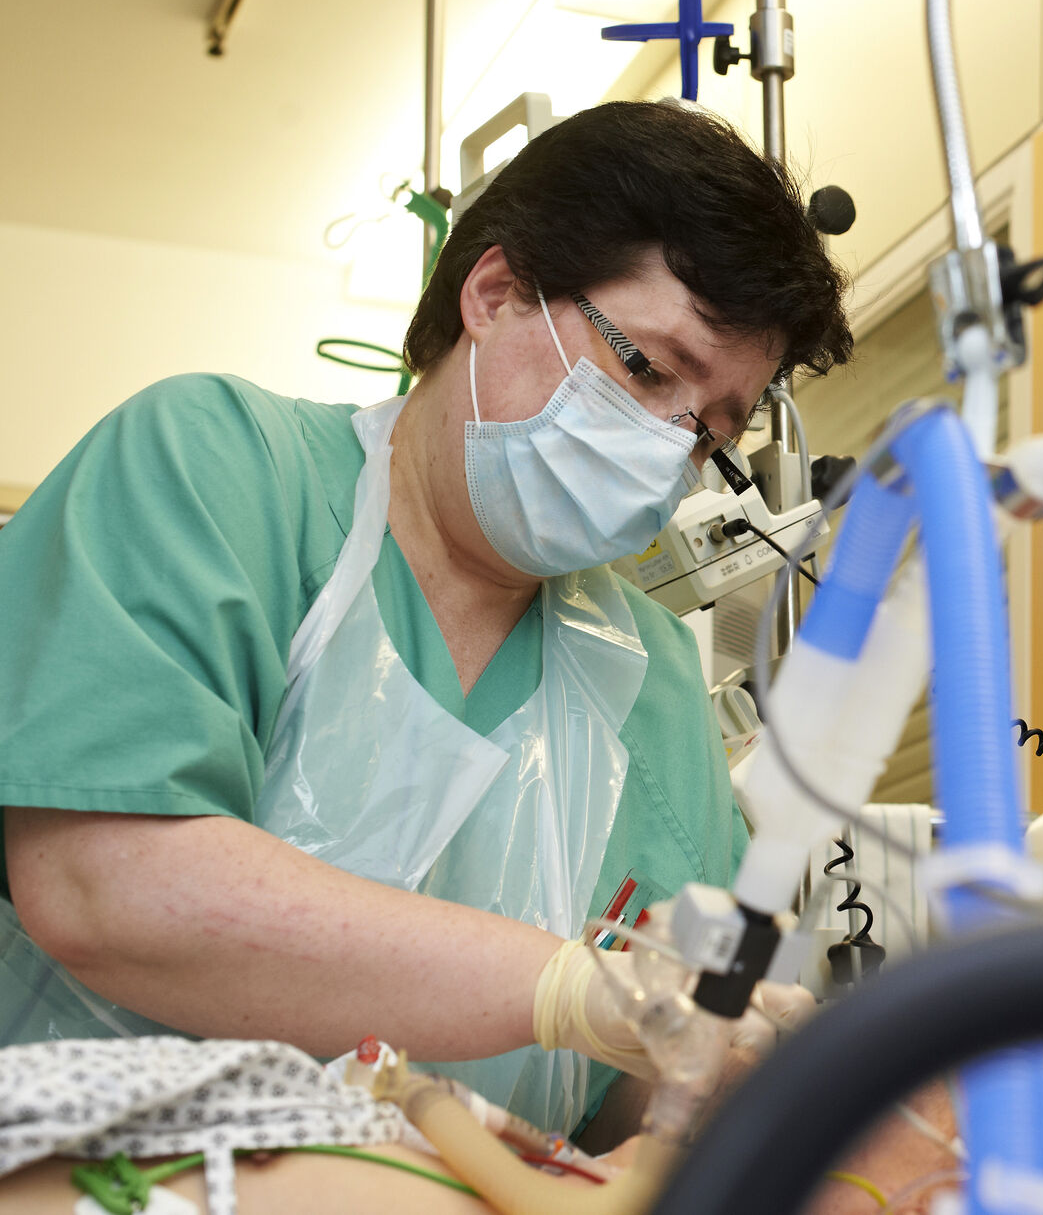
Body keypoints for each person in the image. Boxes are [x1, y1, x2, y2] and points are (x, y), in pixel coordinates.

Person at [0, 99, 852, 1140]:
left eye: (706, 431)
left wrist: (724, 1062)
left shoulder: (653, 685)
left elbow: (633, 1096)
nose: (660, 447)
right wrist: (567, 990)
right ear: (493, 292)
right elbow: (109, 886)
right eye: (643, 368)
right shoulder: (214, 469)